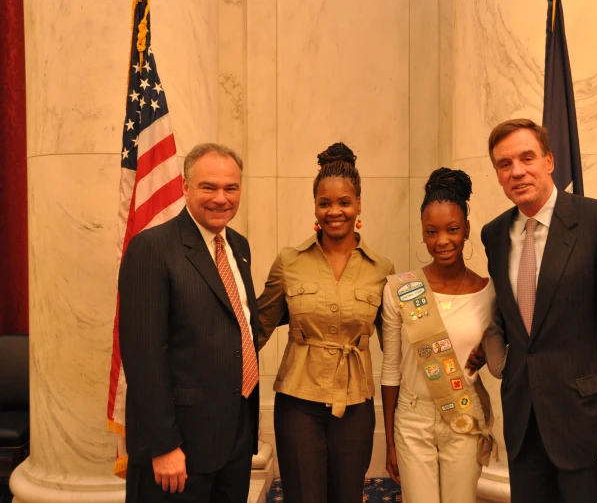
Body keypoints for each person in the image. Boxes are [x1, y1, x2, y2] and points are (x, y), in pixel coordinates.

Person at [480, 119, 597, 503]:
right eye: (504, 164)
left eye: (527, 158)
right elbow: (514, 324)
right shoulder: (494, 235)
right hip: (525, 425)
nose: (517, 171)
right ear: (497, 174)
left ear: (549, 160)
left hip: (591, 427)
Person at [119, 143, 261, 503]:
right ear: (185, 187)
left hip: (235, 439)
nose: (221, 198)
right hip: (179, 448)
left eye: (231, 188)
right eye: (208, 187)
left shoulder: (239, 247)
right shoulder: (152, 248)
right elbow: (143, 358)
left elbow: (235, 329)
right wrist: (163, 445)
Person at [257, 142, 394, 503]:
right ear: (315, 206)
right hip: (298, 402)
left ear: (359, 204)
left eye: (344, 202)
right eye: (325, 203)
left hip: (356, 405)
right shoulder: (289, 262)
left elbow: (399, 349)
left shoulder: (382, 269)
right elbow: (254, 331)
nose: (335, 212)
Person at [380, 168, 498, 503]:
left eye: (452, 229)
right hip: (412, 415)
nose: (441, 240)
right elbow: (390, 368)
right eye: (431, 232)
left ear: (466, 230)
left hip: (463, 410)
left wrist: (487, 354)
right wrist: (389, 440)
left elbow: (501, 350)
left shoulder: (489, 293)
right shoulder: (401, 290)